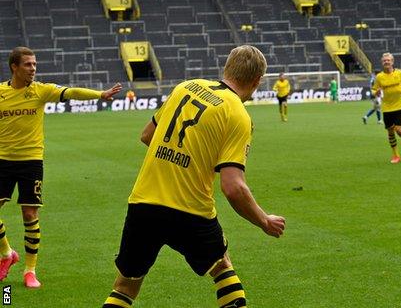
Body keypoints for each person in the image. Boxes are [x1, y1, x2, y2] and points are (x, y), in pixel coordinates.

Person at [102, 45, 285, 308]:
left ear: (226, 68)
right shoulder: (237, 114)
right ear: (256, 82)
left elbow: (147, 136)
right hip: (190, 210)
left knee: (125, 287)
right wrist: (264, 220)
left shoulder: (185, 87)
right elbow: (233, 187)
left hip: (143, 203)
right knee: (222, 268)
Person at [0, 46, 122, 288]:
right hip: (3, 160)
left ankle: (30, 271)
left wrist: (100, 95)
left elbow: (72, 92)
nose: (33, 68)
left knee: (29, 214)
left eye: (34, 64)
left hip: (31, 160)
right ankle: (7, 253)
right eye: (28, 64)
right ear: (14, 67)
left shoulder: (40, 91)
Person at [371, 52, 401, 164]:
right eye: (384, 61)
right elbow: (373, 90)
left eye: (388, 60)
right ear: (382, 63)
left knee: (399, 130)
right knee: (390, 132)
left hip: (398, 105)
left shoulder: (400, 73)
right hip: (386, 107)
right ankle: (396, 155)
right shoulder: (379, 77)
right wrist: (376, 92)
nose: (386, 62)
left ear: (392, 62)